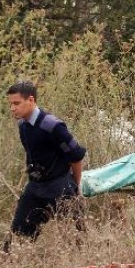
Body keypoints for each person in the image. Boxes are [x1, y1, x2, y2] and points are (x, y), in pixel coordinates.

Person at [5, 81, 86, 249]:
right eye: (10, 104)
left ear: (31, 100)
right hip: (36, 186)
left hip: (60, 185)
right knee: (18, 236)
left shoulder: (52, 125)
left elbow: (76, 155)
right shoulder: (23, 125)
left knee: (75, 238)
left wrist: (75, 186)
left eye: (16, 103)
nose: (12, 108)